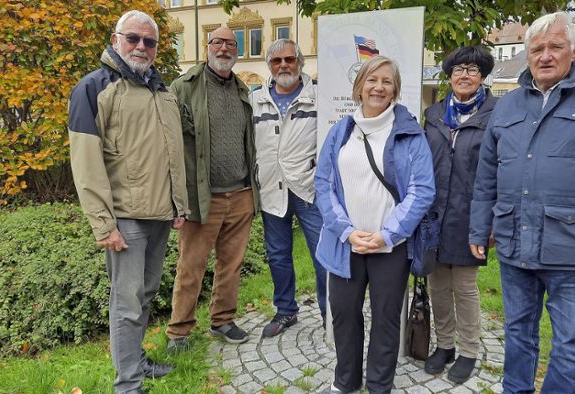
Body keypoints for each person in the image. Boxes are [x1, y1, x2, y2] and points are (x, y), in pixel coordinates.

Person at [468, 12, 575, 393]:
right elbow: (487, 176)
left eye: (555, 47)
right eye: (537, 49)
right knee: (517, 333)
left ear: (573, 50)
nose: (545, 56)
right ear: (528, 55)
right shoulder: (507, 105)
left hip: (574, 249)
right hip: (515, 244)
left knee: (568, 341)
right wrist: (480, 227)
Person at [68, 10, 188, 394]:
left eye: (149, 42)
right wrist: (104, 225)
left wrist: (179, 205)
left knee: (146, 293)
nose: (141, 47)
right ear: (116, 38)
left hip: (159, 214)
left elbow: (172, 153)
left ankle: (137, 363)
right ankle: (127, 384)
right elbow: (86, 162)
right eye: (133, 38)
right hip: (125, 219)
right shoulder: (94, 87)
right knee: (126, 303)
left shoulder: (160, 89)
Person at [315, 55, 435, 394]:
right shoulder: (341, 131)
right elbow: (323, 184)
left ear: (395, 88)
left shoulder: (410, 133)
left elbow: (423, 190)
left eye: (386, 81)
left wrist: (386, 235)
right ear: (359, 86)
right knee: (343, 315)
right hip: (345, 244)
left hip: (390, 248)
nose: (378, 87)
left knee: (385, 319)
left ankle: (380, 385)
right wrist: (347, 231)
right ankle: (346, 382)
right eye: (372, 80)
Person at [165, 26, 259, 350]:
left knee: (230, 266)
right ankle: (179, 332)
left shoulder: (243, 89)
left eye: (230, 44)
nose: (223, 48)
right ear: (207, 47)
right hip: (201, 198)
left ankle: (222, 320)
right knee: (191, 267)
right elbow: (168, 144)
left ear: (237, 50)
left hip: (241, 194)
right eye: (217, 42)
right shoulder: (184, 87)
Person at [422, 46, 497, 384]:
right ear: (449, 76)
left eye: (472, 69)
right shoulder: (434, 114)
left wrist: (491, 223)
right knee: (438, 284)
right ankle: (445, 345)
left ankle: (468, 351)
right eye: (458, 70)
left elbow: (501, 171)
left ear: (482, 76)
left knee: (464, 287)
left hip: (472, 215)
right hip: (435, 214)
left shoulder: (495, 114)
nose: (464, 75)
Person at [249, 38, 327, 337]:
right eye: (276, 61)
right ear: (269, 65)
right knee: (278, 256)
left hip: (309, 191)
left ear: (300, 62)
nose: (283, 65)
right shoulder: (256, 99)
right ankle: (286, 311)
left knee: (323, 257)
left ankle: (329, 314)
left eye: (289, 60)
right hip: (272, 190)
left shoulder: (319, 96)